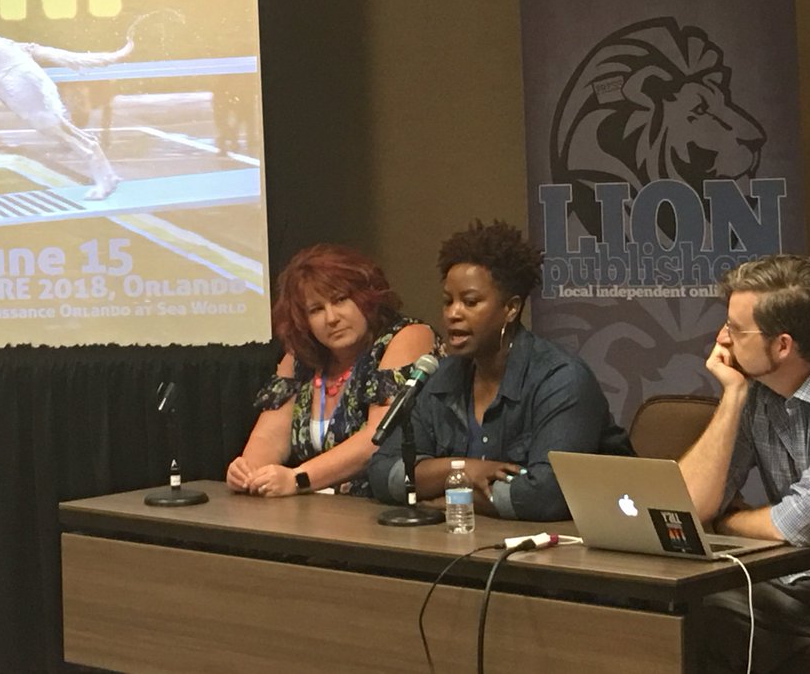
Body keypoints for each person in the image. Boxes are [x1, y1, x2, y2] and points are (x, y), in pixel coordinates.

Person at [678, 254, 810, 672]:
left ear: (783, 345)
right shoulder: (757, 390)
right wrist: (733, 395)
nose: (722, 338)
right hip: (797, 580)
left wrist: (727, 523)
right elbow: (690, 506)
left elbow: (799, 523)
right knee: (692, 618)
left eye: (736, 329)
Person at [368, 219, 631, 520]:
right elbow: (382, 472)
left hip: (573, 543)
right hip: (468, 538)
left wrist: (451, 497)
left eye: (470, 302)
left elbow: (546, 495)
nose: (453, 313)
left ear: (511, 308)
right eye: (448, 301)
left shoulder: (561, 379)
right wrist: (463, 470)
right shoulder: (441, 377)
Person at [226, 244, 439, 497]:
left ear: (367, 297)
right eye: (316, 309)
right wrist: (248, 472)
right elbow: (269, 438)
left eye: (340, 300)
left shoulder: (406, 337)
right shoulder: (299, 359)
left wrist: (298, 479)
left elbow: (377, 439)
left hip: (384, 507)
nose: (331, 318)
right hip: (315, 508)